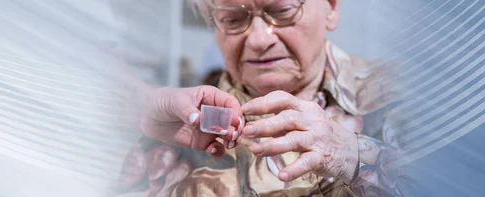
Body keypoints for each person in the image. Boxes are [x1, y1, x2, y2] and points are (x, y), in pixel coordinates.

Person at [120, 0, 402, 196]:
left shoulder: (406, 96)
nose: (258, 40)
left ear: (331, 6)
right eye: (232, 18)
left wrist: (353, 156)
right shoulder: (173, 129)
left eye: (282, 10)